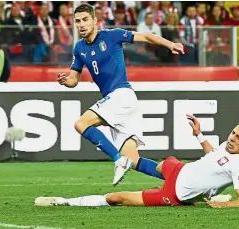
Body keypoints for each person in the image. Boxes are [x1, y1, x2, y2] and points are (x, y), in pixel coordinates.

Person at [57, 4, 184, 185]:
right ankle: (181, 179)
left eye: (85, 19)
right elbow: (74, 79)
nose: (81, 24)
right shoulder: (79, 48)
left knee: (81, 124)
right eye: (77, 21)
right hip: (117, 101)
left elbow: (146, 36)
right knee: (134, 160)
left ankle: (118, 159)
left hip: (121, 95)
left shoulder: (111, 35)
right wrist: (65, 81)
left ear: (95, 20)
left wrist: (171, 44)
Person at [35, 117, 239, 208]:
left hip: (176, 194)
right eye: (233, 133)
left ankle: (62, 202)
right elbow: (214, 155)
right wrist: (199, 135)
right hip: (180, 169)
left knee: (117, 197)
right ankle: (126, 159)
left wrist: (221, 206)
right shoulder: (227, 146)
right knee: (147, 162)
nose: (232, 138)